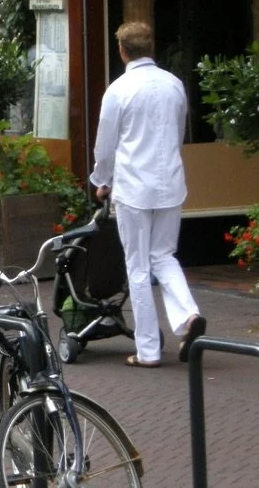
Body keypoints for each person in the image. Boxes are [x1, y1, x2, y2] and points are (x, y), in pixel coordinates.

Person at [90, 21, 206, 368]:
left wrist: (101, 180)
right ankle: (188, 316)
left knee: (138, 266)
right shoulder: (174, 85)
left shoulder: (119, 90)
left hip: (134, 186)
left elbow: (105, 145)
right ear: (151, 48)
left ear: (122, 51)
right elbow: (179, 129)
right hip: (170, 182)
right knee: (164, 256)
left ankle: (149, 350)